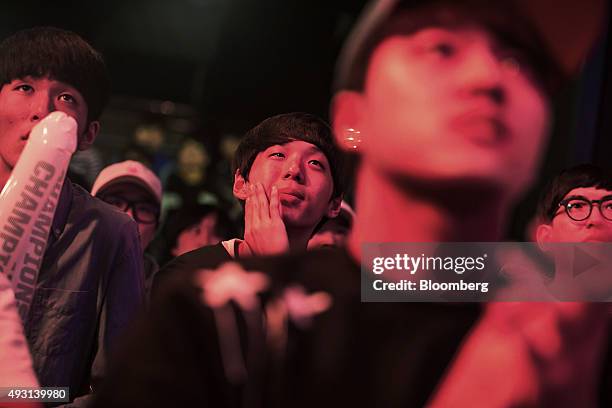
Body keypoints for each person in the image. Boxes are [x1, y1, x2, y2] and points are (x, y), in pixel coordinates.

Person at [92, 1, 607, 407]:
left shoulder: (563, 322)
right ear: (355, 116)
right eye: (442, 48)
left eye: (517, 59)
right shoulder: (214, 315)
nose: (489, 78)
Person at [0, 27, 145, 405]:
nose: (42, 111)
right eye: (24, 87)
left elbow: (115, 384)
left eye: (66, 97)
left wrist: (22, 398)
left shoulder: (111, 233)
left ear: (88, 133)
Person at [152, 112, 344, 290]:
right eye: (278, 155)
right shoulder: (183, 276)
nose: (294, 170)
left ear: (334, 203)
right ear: (240, 183)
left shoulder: (348, 288)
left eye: (315, 163)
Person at [92, 160, 162, 297]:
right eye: (115, 203)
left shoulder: (165, 300)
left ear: (156, 229)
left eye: (144, 209)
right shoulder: (55, 274)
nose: (128, 217)